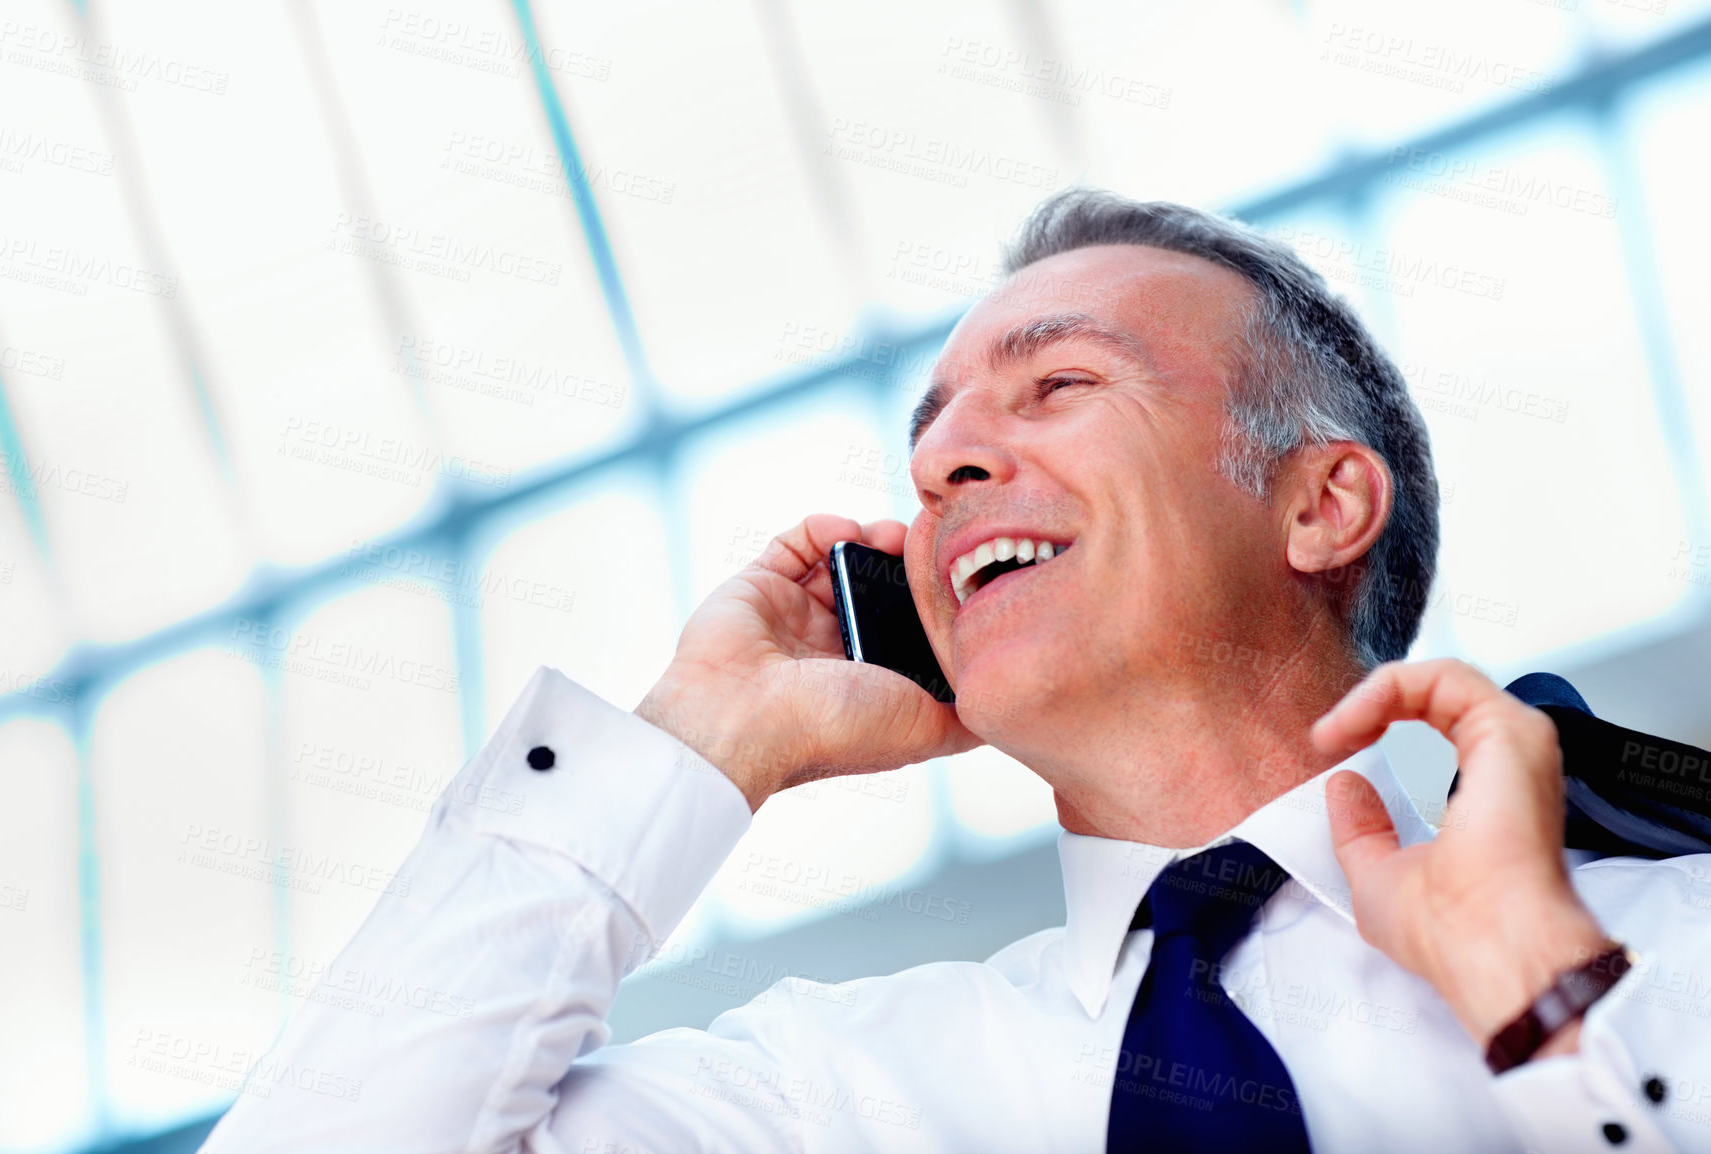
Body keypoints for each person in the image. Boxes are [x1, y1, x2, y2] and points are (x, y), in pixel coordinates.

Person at [201, 192, 1709, 1153]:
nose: (943, 457)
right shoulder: (829, 1096)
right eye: (933, 434)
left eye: (1061, 382)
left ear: (1320, 505)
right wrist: (693, 738)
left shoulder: (1667, 945)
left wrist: (1552, 1007)